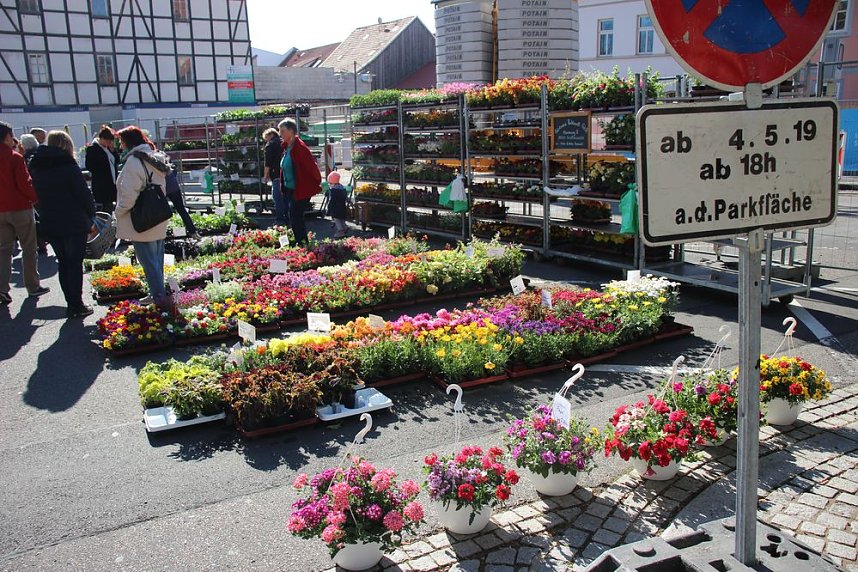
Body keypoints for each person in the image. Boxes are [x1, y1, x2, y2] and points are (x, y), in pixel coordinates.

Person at [29, 131, 96, 318]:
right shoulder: (68, 166)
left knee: (63, 263)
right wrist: (92, 214)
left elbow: (34, 196)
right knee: (74, 263)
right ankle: (77, 304)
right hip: (74, 220)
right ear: (66, 145)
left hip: (50, 219)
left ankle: (70, 304)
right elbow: (84, 195)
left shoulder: (36, 166)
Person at [115, 126, 171, 308]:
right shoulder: (154, 156)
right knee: (156, 260)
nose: (120, 146)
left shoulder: (133, 162)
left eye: (122, 142)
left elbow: (129, 195)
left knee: (148, 262)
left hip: (142, 217)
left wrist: (119, 212)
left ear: (128, 142)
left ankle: (158, 298)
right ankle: (158, 294)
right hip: (158, 214)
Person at [0, 121, 50, 305]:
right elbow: (25, 183)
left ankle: (2, 289)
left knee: (4, 250)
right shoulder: (14, 157)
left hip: (0, 210)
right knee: (29, 247)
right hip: (19, 207)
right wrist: (34, 199)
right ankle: (32, 285)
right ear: (7, 136)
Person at [278, 118, 321, 245]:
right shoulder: (287, 147)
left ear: (291, 131)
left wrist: (315, 183)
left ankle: (302, 244)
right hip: (290, 189)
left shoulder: (300, 147)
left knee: (296, 217)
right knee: (293, 217)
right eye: (279, 131)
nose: (280, 134)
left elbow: (311, 167)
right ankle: (300, 243)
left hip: (300, 189)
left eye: (283, 131)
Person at [85, 125, 119, 211]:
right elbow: (89, 165)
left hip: (112, 182)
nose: (109, 142)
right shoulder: (92, 149)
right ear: (101, 138)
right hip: (101, 184)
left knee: (111, 206)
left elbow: (117, 160)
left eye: (110, 140)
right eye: (107, 140)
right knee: (104, 208)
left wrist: (113, 151)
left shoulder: (109, 149)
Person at [163, 157, 199, 238]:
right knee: (181, 209)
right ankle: (193, 231)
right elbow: (174, 169)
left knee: (161, 212)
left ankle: (161, 234)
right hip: (174, 186)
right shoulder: (164, 156)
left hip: (162, 187)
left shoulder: (151, 159)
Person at [262, 128, 287, 226]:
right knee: (286, 198)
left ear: (270, 135)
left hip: (276, 174)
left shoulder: (270, 145)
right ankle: (288, 218)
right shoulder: (284, 142)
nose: (266, 140)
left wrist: (265, 175)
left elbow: (267, 163)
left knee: (277, 198)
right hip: (286, 174)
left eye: (266, 138)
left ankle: (280, 220)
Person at [326, 171, 349, 239]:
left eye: (330, 183)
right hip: (342, 206)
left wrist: (329, 208)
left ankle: (340, 230)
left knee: (336, 219)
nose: (330, 184)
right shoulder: (342, 188)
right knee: (341, 219)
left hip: (335, 208)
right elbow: (345, 197)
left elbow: (332, 200)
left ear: (332, 182)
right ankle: (345, 227)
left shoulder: (334, 190)